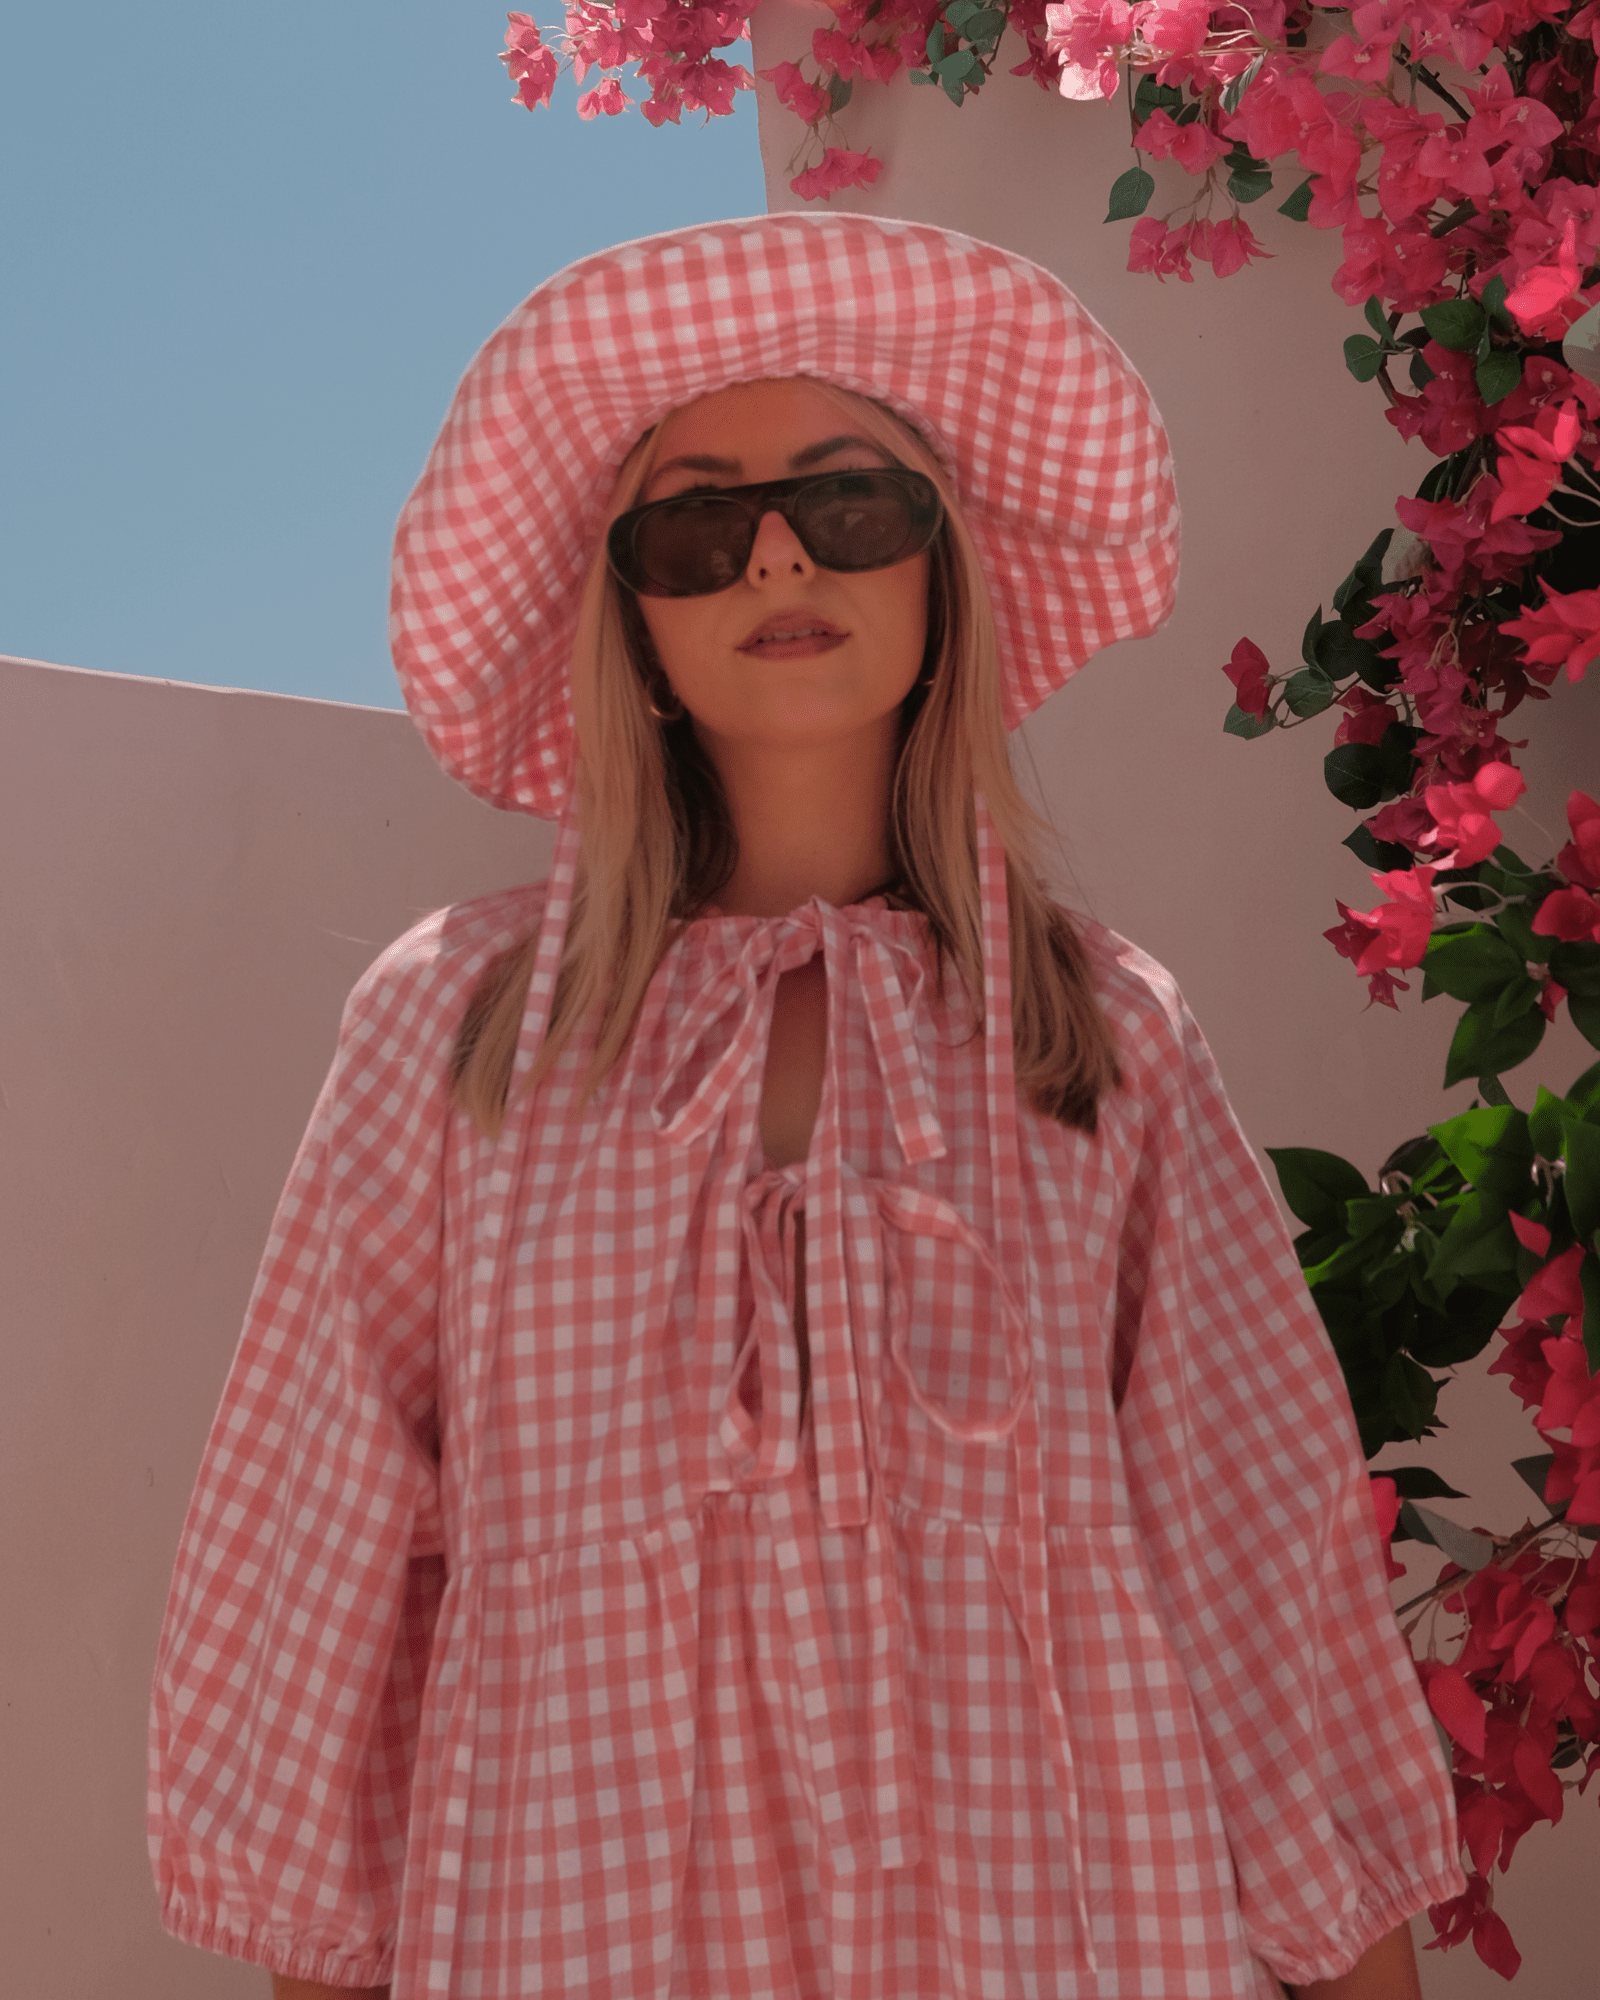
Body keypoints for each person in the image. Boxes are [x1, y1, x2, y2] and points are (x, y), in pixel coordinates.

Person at [148, 215, 1464, 2000]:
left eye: (851, 501)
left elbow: (1258, 1543)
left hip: (1057, 1922)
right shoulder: (457, 1032)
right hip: (577, 1919)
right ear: (633, 619)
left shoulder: (1103, 1034)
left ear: (940, 573)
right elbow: (324, 1557)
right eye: (696, 526)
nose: (776, 551)